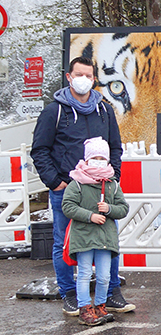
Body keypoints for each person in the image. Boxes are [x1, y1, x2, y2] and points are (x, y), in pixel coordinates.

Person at [31, 56, 133, 316]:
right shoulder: (54, 111)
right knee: (63, 243)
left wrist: (114, 178)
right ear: (68, 76)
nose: (84, 80)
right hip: (69, 190)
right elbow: (40, 150)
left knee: (108, 241)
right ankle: (69, 293)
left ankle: (111, 293)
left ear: (94, 79)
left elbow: (115, 147)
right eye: (79, 74)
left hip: (100, 191)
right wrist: (56, 182)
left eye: (88, 76)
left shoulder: (105, 110)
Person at [60, 137, 129, 326]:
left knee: (104, 275)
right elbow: (67, 206)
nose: (98, 161)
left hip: (105, 237)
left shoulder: (113, 184)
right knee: (83, 273)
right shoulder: (77, 183)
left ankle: (100, 306)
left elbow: (123, 208)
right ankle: (84, 309)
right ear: (87, 159)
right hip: (83, 235)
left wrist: (109, 209)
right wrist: (90, 216)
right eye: (94, 157)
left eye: (102, 158)